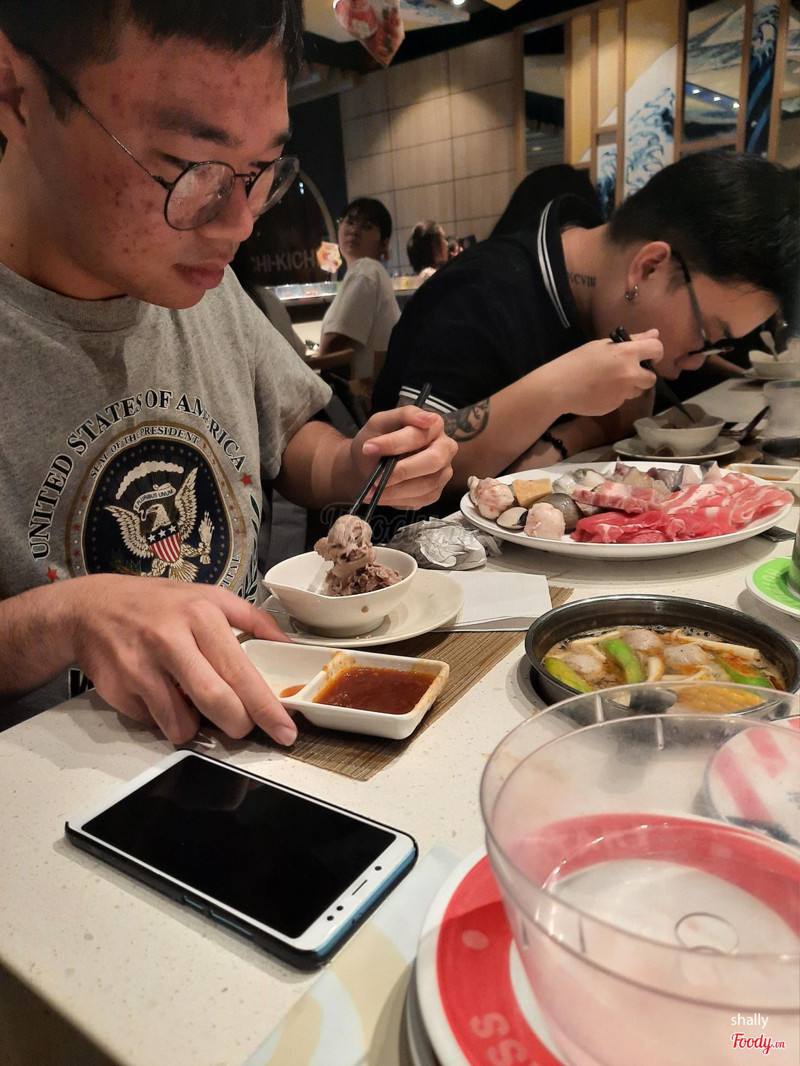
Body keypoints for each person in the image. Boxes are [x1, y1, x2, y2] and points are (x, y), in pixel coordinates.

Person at [0, 2, 455, 740]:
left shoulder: (196, 281)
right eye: (189, 168)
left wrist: (354, 462)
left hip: (251, 734)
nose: (239, 223)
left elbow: (287, 438)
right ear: (16, 94)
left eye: (261, 170)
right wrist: (66, 616)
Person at [372, 149, 798, 502]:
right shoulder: (477, 294)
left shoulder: (608, 305)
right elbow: (397, 469)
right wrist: (559, 391)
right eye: (706, 336)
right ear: (649, 267)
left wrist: (577, 433)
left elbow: (631, 416)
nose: (694, 362)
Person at [318, 197, 400, 378]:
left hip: (357, 393)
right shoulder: (374, 272)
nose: (354, 231)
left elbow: (335, 343)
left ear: (384, 243)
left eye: (367, 226)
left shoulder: (365, 270)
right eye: (350, 222)